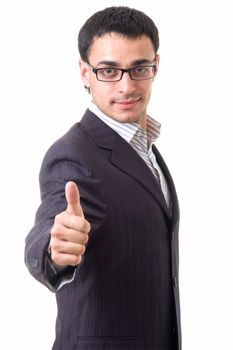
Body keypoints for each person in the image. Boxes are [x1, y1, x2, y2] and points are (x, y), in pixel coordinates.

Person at [24, 6, 181, 350]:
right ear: (84, 72)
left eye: (139, 68)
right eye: (108, 70)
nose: (126, 86)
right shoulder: (73, 154)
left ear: (156, 65)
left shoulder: (145, 147)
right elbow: (50, 228)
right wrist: (54, 250)